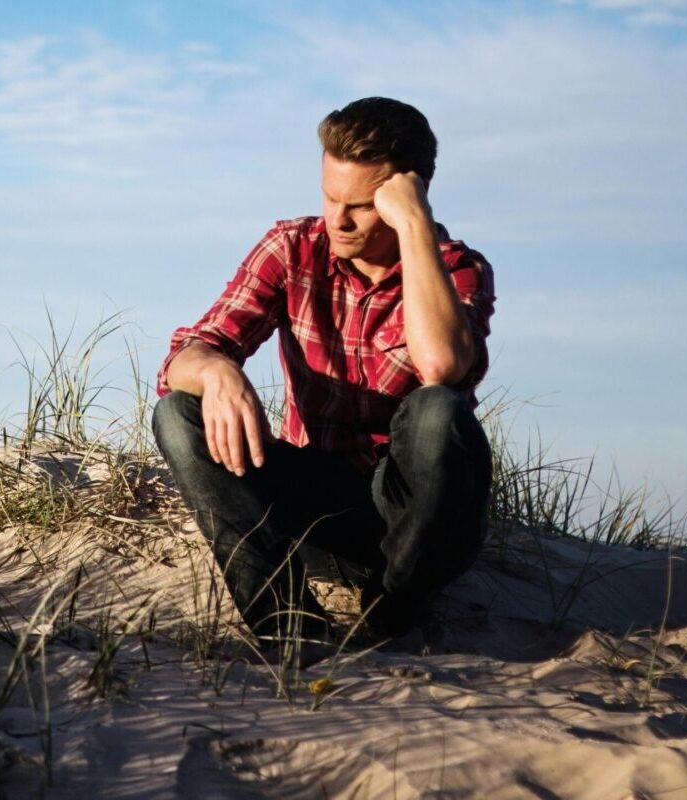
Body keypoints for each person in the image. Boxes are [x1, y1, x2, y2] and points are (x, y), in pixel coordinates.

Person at [152, 97, 495, 650]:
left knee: (439, 410)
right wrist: (216, 371)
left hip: (422, 517)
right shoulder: (293, 247)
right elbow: (186, 354)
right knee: (177, 412)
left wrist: (414, 226)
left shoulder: (457, 268)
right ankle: (290, 631)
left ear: (410, 195)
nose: (338, 219)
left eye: (362, 205)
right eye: (330, 197)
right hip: (321, 502)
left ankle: (391, 616)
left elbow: (443, 367)